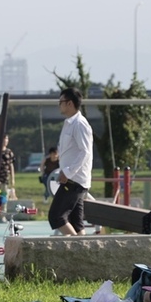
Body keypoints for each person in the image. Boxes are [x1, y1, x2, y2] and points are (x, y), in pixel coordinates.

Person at [48, 87, 93, 236]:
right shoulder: (69, 123)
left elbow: (85, 152)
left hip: (74, 180)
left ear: (69, 103)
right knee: (77, 223)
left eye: (61, 102)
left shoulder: (79, 124)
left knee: (56, 216)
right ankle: (83, 253)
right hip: (74, 179)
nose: (59, 105)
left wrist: (67, 172)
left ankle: (74, 250)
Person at [0, 134, 16, 222]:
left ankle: (2, 215)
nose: (5, 141)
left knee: (3, 197)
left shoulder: (9, 152)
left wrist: (12, 178)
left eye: (7, 139)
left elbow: (11, 165)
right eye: (4, 139)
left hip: (5, 178)